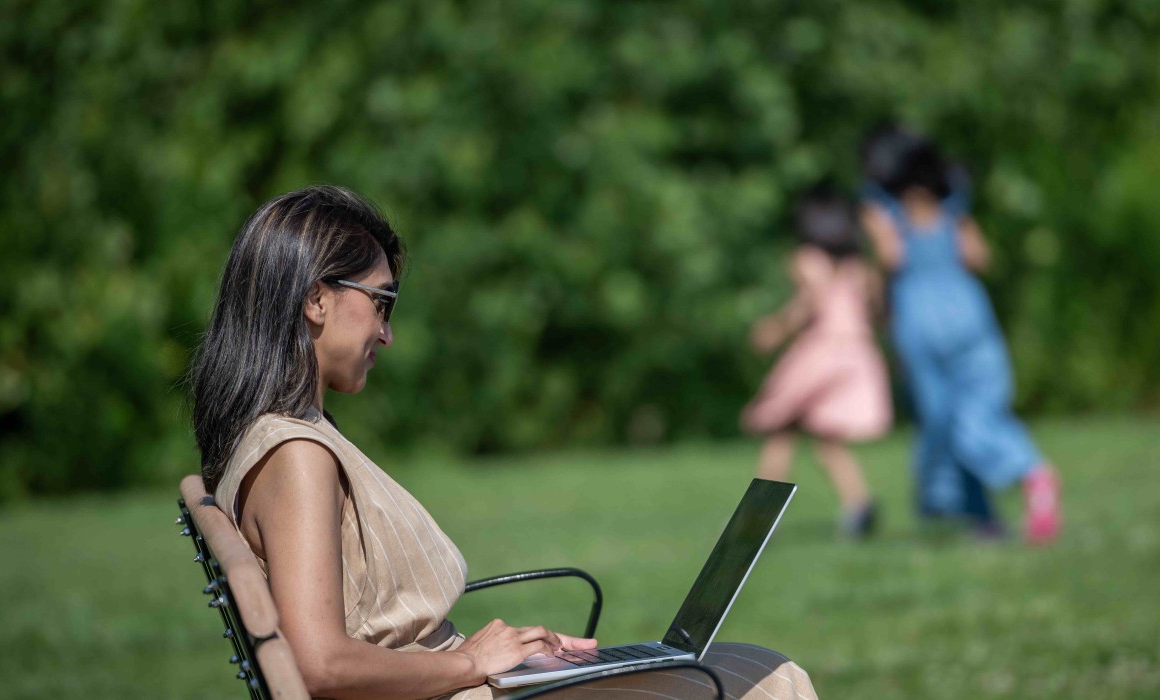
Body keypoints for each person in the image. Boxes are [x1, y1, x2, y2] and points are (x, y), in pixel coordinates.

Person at [188, 186, 817, 700]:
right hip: (452, 693)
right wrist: (470, 665)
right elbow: (320, 663)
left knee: (748, 666)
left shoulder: (279, 437)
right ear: (314, 299)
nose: (387, 334)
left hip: (456, 685)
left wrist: (502, 657)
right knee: (768, 681)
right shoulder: (296, 454)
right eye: (381, 303)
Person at [858, 130, 1061, 544]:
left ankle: (1028, 471)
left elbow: (890, 258)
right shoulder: (953, 207)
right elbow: (979, 257)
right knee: (975, 412)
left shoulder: (882, 209)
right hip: (968, 314)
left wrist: (877, 308)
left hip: (919, 319)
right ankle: (985, 518)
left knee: (943, 420)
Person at [741, 185, 892, 539]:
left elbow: (808, 304)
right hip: (857, 354)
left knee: (781, 428)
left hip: (821, 351)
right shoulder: (861, 269)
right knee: (827, 435)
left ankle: (757, 515)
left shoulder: (808, 260)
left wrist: (775, 331)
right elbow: (879, 313)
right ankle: (859, 503)